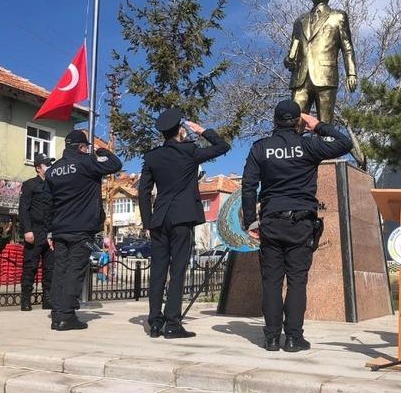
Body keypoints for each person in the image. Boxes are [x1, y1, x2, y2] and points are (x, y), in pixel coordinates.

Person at [241, 100, 352, 352]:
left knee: (271, 281)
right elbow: (345, 143)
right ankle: (293, 338)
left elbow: (248, 187)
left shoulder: (260, 148)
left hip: (270, 221)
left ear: (275, 120)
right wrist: (318, 125)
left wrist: (250, 221)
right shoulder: (309, 144)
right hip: (300, 222)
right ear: (298, 121)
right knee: (297, 281)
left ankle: (270, 338)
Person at [138, 108, 231, 339]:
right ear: (180, 130)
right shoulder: (189, 151)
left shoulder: (152, 156)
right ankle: (172, 323)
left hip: (159, 220)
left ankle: (155, 322)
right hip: (182, 218)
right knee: (177, 270)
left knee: (158, 271)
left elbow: (143, 191)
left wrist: (148, 222)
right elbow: (223, 147)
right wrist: (202, 131)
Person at [45, 130, 122, 331]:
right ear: (81, 146)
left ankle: (56, 313)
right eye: (85, 146)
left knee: (60, 270)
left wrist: (50, 231)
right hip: (81, 227)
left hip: (60, 227)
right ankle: (66, 316)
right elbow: (115, 165)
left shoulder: (52, 171)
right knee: (75, 271)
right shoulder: (86, 162)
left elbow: (49, 202)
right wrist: (102, 150)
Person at [285, 0, 357, 125]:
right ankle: (295, 146)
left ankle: (325, 144)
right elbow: (292, 50)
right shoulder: (300, 21)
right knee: (294, 124)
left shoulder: (338, 16)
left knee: (325, 126)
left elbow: (347, 47)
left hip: (326, 76)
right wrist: (289, 60)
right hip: (300, 78)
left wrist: (351, 73)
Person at [18, 154, 55, 311]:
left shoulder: (54, 185)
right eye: (47, 165)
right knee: (30, 267)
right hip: (34, 231)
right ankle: (25, 299)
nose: (49, 167)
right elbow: (23, 209)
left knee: (50, 268)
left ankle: (47, 299)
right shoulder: (29, 185)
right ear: (38, 168)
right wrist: (27, 230)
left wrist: (54, 233)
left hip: (50, 233)